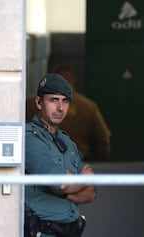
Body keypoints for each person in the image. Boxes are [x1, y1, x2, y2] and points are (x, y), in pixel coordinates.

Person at [24, 73, 96, 237]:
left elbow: (90, 192)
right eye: (54, 100)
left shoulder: (67, 142)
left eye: (65, 101)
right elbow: (60, 183)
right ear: (39, 102)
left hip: (71, 230)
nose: (60, 107)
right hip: (43, 231)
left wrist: (67, 187)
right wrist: (73, 183)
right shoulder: (30, 138)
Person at [26, 64, 111, 161]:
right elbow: (103, 141)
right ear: (74, 80)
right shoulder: (88, 106)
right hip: (78, 161)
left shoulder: (31, 103)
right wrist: (99, 164)